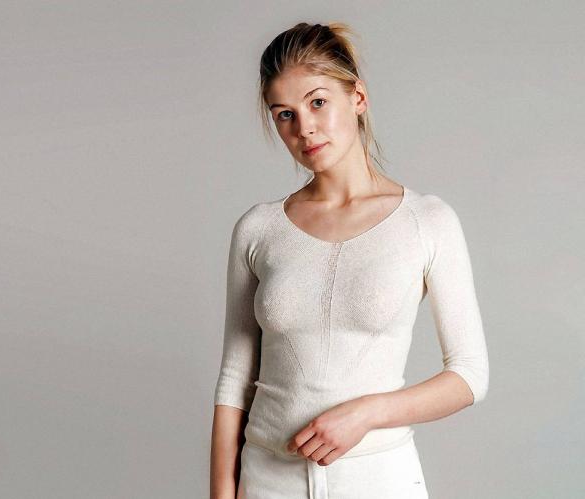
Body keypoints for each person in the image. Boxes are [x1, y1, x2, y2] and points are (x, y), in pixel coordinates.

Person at [209, 22, 489, 499]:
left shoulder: (426, 221)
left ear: (357, 96)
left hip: (379, 479)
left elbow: (469, 375)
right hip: (268, 480)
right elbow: (235, 379)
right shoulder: (259, 229)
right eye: (284, 114)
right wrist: (221, 493)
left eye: (318, 102)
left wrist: (366, 414)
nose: (304, 128)